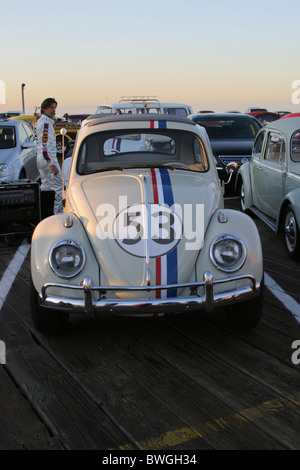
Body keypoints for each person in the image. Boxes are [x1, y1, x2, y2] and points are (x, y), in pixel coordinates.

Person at [34, 98, 63, 214]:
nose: (54, 110)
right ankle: (58, 215)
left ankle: (45, 214)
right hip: (47, 159)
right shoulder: (45, 124)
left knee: (46, 187)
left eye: (55, 108)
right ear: (44, 108)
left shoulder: (40, 122)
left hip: (41, 159)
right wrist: (51, 163)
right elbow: (45, 145)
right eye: (51, 107)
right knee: (58, 189)